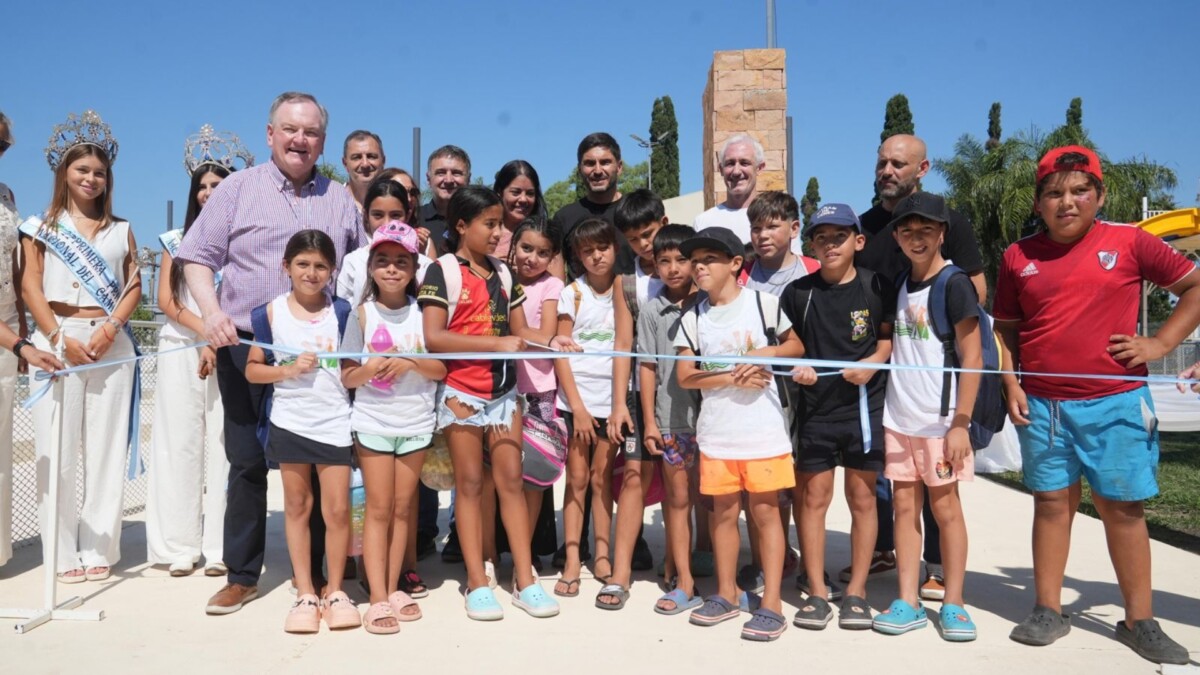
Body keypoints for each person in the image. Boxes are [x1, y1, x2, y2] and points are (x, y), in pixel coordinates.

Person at [997, 146, 1199, 665]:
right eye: (1053, 193)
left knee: (1123, 509)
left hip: (1117, 404)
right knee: (1050, 505)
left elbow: (1194, 286)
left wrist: (1161, 344)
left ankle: (1139, 620)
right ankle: (1047, 609)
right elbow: (1006, 330)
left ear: (1100, 195)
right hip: (1044, 407)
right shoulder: (1018, 256)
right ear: (1038, 203)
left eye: (1079, 190)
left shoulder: (1130, 242)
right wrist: (1011, 383)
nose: (1067, 202)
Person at [178, 91, 363, 615]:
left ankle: (326, 576)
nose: (300, 140)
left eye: (311, 132)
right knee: (246, 460)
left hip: (321, 354)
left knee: (325, 459)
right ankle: (242, 575)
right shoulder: (236, 189)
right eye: (290, 129)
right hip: (246, 344)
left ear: (322, 141)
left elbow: (359, 268)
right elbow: (196, 255)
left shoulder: (340, 199)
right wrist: (211, 313)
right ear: (270, 134)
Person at [851, 134, 987, 597]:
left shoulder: (953, 264)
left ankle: (946, 582)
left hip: (938, 406)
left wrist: (961, 420)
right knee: (899, 495)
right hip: (893, 398)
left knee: (942, 502)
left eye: (898, 163)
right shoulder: (869, 232)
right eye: (882, 162)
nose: (887, 171)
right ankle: (896, 576)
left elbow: (973, 342)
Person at [418, 185, 559, 620]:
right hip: (461, 394)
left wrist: (553, 340)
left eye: (500, 224)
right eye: (490, 224)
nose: (500, 232)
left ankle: (525, 579)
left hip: (504, 395)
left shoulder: (504, 273)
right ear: (462, 226)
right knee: (470, 485)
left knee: (512, 482)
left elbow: (521, 331)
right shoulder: (442, 271)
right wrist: (497, 343)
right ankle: (477, 582)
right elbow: (434, 337)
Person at [21, 110, 140, 583]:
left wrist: (111, 328)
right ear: (64, 173)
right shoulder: (40, 228)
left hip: (109, 343)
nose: (91, 179)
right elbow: (30, 285)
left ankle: (98, 547)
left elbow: (133, 283)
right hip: (57, 340)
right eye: (82, 170)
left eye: (99, 172)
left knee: (106, 450)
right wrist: (57, 337)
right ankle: (61, 549)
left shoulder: (121, 229)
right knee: (58, 449)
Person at [674, 226, 802, 642]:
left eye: (708, 259)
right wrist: (732, 376)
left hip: (763, 433)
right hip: (717, 434)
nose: (699, 267)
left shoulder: (764, 305)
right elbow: (686, 377)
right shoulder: (693, 317)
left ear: (734, 264)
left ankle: (772, 604)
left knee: (766, 515)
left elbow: (796, 347)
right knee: (723, 515)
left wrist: (767, 353)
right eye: (695, 261)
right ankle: (727, 594)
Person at [870, 192, 980, 641]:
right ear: (896, 236)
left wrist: (960, 422)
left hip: (940, 424)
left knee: (946, 508)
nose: (917, 238)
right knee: (902, 507)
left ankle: (954, 602)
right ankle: (907, 600)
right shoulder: (898, 282)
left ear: (943, 233)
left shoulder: (954, 284)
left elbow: (973, 358)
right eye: (907, 231)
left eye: (926, 230)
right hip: (899, 419)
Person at [781, 203, 893, 630]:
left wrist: (873, 364)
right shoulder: (798, 293)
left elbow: (887, 341)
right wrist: (800, 368)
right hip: (816, 412)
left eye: (839, 236)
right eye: (821, 237)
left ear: (858, 241)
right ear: (810, 244)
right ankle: (815, 589)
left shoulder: (875, 286)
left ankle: (857, 592)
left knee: (863, 500)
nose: (830, 244)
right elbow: (791, 348)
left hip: (864, 409)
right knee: (812, 500)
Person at [146, 125, 252, 577]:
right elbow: (167, 301)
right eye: (203, 186)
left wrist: (215, 340)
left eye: (218, 184)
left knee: (226, 445)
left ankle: (220, 546)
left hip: (228, 347)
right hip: (181, 346)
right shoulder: (177, 239)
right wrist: (205, 332)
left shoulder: (242, 239)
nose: (210, 192)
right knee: (180, 442)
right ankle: (180, 544)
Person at [244, 230, 360, 633]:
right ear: (286, 267)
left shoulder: (343, 311)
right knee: (297, 507)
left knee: (337, 510)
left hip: (335, 422)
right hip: (290, 422)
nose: (312, 273)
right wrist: (289, 370)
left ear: (332, 270)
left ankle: (336, 590)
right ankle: (306, 592)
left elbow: (352, 369)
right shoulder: (269, 314)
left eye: (321, 266)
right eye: (303, 264)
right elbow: (253, 369)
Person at [340, 221, 444, 634]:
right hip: (373, 425)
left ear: (415, 268)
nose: (392, 269)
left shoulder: (426, 315)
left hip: (416, 423)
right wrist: (371, 369)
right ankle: (378, 596)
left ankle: (397, 584)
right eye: (383, 260)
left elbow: (441, 369)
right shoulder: (360, 314)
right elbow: (348, 376)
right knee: (379, 509)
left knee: (404, 509)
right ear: (370, 267)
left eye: (401, 261)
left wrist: (410, 362)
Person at [602, 189, 673, 606]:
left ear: (664, 223)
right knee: (633, 475)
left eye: (649, 234)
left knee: (685, 483)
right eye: (634, 239)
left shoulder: (689, 269)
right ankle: (621, 572)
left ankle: (681, 565)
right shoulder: (626, 283)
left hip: (684, 393)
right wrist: (618, 405)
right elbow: (622, 344)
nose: (644, 244)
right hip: (636, 394)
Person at [634, 224, 704, 614]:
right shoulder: (651, 310)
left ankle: (729, 579)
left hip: (716, 419)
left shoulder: (711, 303)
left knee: (718, 501)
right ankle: (685, 580)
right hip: (672, 419)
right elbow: (646, 367)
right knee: (677, 500)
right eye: (664, 261)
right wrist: (650, 421)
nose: (673, 268)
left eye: (682, 259)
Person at [553, 218, 621, 603]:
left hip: (613, 403)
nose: (596, 256)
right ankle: (572, 558)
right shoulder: (572, 293)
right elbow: (561, 351)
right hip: (576, 403)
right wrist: (577, 408)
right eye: (588, 250)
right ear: (578, 256)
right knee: (576, 479)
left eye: (602, 248)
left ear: (615, 248)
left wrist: (617, 406)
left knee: (601, 480)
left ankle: (603, 554)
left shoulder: (625, 290)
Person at [493, 217, 564, 566]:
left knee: (533, 476)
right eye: (526, 248)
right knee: (498, 473)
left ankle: (528, 551)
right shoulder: (499, 278)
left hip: (539, 390)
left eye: (542, 253)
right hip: (500, 387)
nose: (532, 258)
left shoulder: (552, 285)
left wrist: (539, 338)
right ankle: (493, 552)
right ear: (513, 246)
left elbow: (547, 333)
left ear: (552, 257)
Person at [550, 132, 636, 278]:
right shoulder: (564, 218)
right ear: (579, 170)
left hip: (633, 293)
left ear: (619, 167)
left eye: (605, 162)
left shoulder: (637, 212)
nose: (597, 171)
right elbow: (555, 278)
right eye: (590, 163)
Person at [337, 177, 431, 304]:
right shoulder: (353, 262)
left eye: (395, 215)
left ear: (408, 215)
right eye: (378, 215)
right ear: (366, 215)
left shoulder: (425, 266)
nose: (387, 223)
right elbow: (345, 307)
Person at [694, 134, 784, 251]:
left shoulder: (778, 218)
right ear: (721, 169)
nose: (736, 171)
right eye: (730, 163)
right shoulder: (703, 222)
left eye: (744, 163)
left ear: (759, 168)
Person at [492, 160, 548, 261]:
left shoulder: (546, 234)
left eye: (530, 193)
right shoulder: (484, 232)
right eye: (515, 192)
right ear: (500, 192)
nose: (523, 199)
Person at [421, 145, 471, 257]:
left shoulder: (477, 221)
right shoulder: (413, 219)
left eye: (456, 173)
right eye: (441, 173)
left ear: (468, 179)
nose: (448, 180)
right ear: (428, 179)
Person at [342, 130, 385, 212]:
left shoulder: (396, 203)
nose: (365, 164)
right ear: (345, 163)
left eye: (371, 156)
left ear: (383, 161)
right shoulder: (331, 202)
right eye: (357, 157)